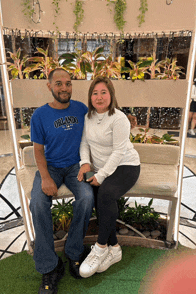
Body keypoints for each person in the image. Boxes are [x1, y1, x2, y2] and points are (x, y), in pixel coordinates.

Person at [30, 68, 94, 294]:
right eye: (59, 84)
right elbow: (38, 151)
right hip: (51, 167)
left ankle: (74, 253)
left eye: (68, 83)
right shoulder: (39, 115)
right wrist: (46, 177)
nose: (64, 88)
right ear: (49, 86)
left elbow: (103, 120)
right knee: (37, 203)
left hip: (76, 165)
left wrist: (126, 117)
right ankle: (50, 266)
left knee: (86, 198)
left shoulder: (81, 108)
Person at [77, 76, 140, 278]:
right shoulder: (88, 117)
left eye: (103, 92)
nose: (99, 97)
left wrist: (101, 176)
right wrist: (85, 164)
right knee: (97, 196)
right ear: (90, 97)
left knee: (104, 194)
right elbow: (84, 144)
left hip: (125, 166)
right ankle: (115, 248)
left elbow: (119, 152)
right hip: (100, 167)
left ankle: (100, 248)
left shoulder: (119, 118)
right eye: (95, 93)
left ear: (111, 95)